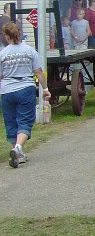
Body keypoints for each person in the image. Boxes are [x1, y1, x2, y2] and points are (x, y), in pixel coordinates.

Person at [0, 20, 51, 168]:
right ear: (19, 33)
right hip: (25, 88)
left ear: (6, 36)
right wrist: (45, 89)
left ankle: (16, 154)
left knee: (10, 122)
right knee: (25, 121)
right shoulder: (29, 51)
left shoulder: (2, 54)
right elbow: (39, 72)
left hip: (7, 91)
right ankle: (18, 148)